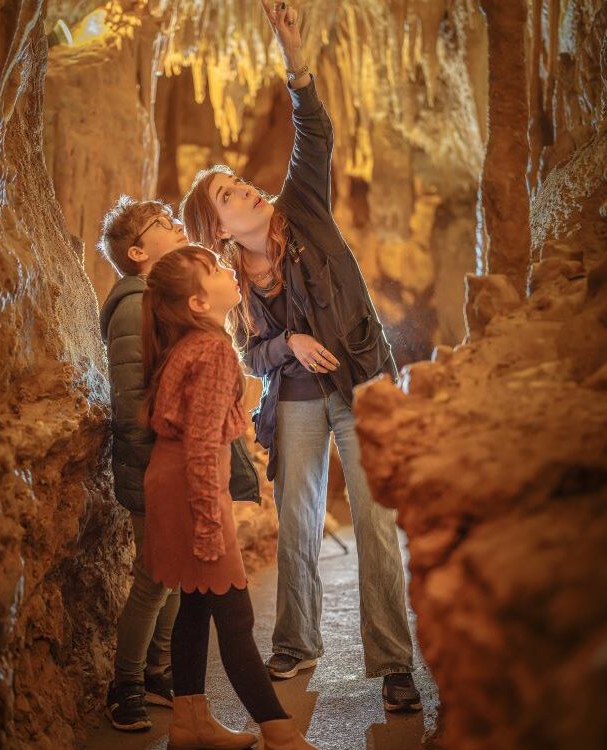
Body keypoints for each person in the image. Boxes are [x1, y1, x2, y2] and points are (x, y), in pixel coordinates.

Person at [179, 1, 421, 713]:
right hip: (296, 399)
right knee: (297, 519)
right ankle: (296, 643)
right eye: (230, 195)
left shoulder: (304, 207)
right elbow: (253, 355)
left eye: (241, 183)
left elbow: (316, 130)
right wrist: (288, 343)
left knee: (375, 519)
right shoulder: (232, 284)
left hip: (362, 380)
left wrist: (295, 56)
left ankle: (394, 663)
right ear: (220, 229)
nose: (247, 190)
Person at [142, 245, 317, 749]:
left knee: (196, 604)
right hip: (192, 489)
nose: (227, 268)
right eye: (214, 269)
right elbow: (201, 446)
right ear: (198, 302)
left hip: (174, 482)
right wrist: (207, 524)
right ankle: (280, 733)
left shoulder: (192, 343)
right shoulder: (212, 350)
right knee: (236, 618)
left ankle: (189, 723)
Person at [98, 197, 261, 731]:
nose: (175, 225)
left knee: (173, 578)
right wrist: (161, 472)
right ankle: (126, 684)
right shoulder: (134, 305)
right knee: (155, 578)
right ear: (138, 251)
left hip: (171, 463)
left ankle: (159, 672)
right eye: (162, 224)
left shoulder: (160, 306)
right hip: (156, 465)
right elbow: (133, 398)